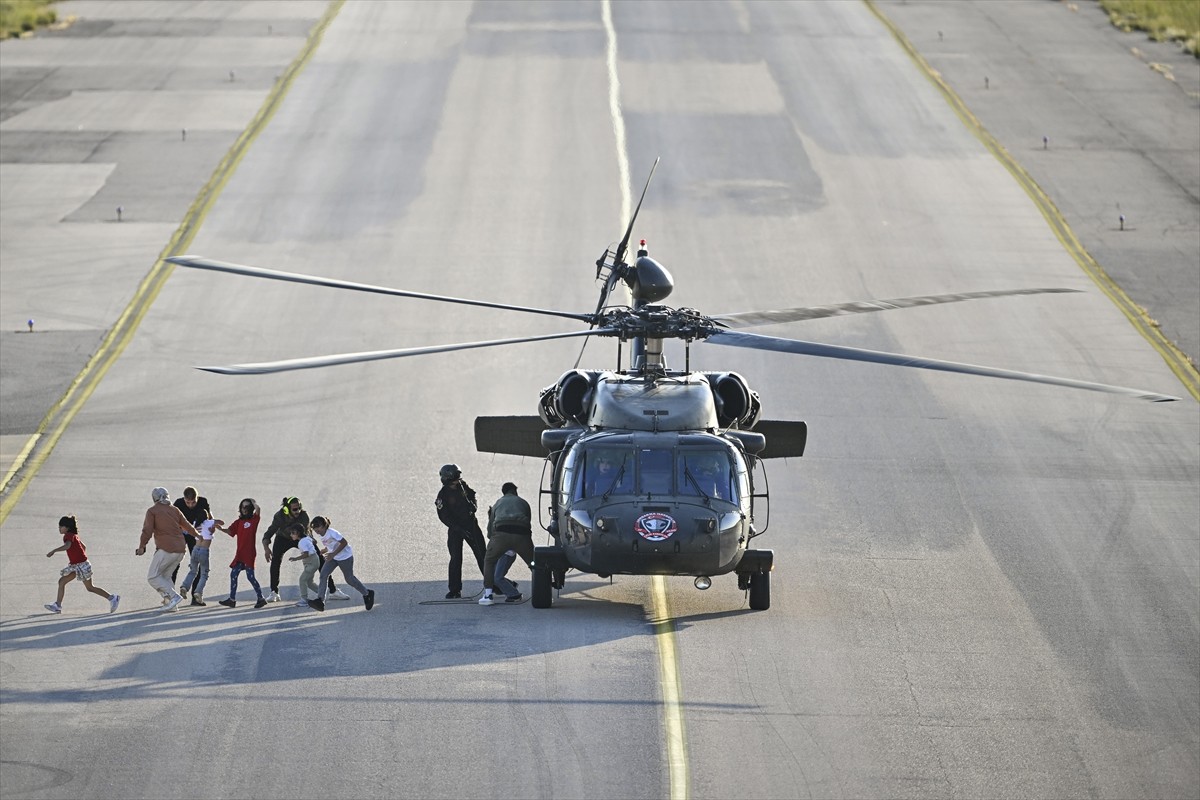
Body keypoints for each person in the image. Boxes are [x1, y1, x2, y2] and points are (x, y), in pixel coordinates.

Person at [261, 496, 348, 603]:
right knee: (275, 561)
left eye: (299, 508)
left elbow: (307, 531)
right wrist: (266, 549)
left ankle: (333, 591)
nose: (297, 511)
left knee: (320, 559)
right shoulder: (279, 516)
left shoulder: (303, 515)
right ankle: (274, 592)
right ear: (287, 509)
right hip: (282, 538)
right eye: (294, 509)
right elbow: (269, 532)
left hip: (300, 537)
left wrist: (311, 541)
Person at [44, 515, 119, 614]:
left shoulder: (68, 536)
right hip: (78, 565)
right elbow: (83, 547)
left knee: (90, 587)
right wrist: (78, 557)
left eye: (61, 526)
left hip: (81, 565)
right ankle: (57, 605)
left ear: (67, 527)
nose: (59, 529)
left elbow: (68, 546)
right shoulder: (74, 535)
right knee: (62, 581)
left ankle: (113, 598)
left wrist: (54, 551)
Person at [136, 487, 195, 612]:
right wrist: (199, 536)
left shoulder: (153, 511)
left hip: (166, 549)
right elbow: (187, 525)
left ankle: (174, 597)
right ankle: (172, 604)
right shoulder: (175, 510)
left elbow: (147, 531)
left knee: (152, 577)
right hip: (180, 550)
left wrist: (142, 546)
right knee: (166, 576)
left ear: (154, 498)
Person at [435, 463, 487, 599]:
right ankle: (454, 589)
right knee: (456, 559)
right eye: (455, 479)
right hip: (456, 530)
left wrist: (473, 506)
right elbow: (443, 516)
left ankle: (494, 584)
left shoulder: (463, 486)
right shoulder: (443, 495)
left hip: (471, 527)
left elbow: (472, 496)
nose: (458, 481)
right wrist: (458, 529)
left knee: (483, 555)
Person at [479, 482, 534, 605]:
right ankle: (543, 592)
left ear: (503, 492)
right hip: (522, 536)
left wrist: (497, 544)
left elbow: (490, 530)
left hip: (501, 537)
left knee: (489, 561)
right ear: (515, 491)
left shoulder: (497, 503)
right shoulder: (524, 503)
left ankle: (488, 596)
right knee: (535, 565)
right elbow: (528, 523)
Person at [305, 516, 374, 612]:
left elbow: (344, 542)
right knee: (323, 575)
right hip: (334, 557)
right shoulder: (322, 534)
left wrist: (332, 554)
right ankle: (320, 601)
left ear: (324, 526)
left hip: (345, 557)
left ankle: (367, 593)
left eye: (318, 526)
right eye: (314, 527)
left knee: (349, 579)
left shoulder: (332, 533)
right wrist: (325, 550)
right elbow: (331, 544)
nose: (316, 529)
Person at [213, 498, 268, 609]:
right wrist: (221, 529)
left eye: (247, 507)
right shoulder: (238, 522)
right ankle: (232, 600)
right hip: (240, 554)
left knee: (250, 577)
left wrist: (253, 502)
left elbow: (258, 510)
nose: (244, 509)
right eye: (242, 507)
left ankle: (261, 598)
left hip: (249, 554)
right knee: (233, 574)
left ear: (251, 508)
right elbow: (230, 531)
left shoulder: (254, 521)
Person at [172, 486, 211, 594]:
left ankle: (195, 595)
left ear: (197, 498)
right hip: (181, 535)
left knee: (197, 563)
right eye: (187, 502)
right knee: (174, 563)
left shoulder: (203, 502)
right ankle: (170, 596)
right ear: (184, 499)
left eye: (193, 502)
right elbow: (172, 521)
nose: (190, 505)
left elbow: (209, 517)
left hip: (196, 536)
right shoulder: (178, 504)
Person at [179, 518, 215, 606]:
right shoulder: (209, 522)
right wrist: (215, 524)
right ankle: (198, 592)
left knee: (192, 571)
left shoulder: (195, 523)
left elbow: (185, 528)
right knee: (204, 574)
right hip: (204, 551)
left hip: (195, 549)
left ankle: (184, 586)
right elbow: (222, 522)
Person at [286, 523, 321, 607]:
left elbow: (306, 554)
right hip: (314, 560)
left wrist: (295, 558)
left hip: (311, 562)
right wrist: (310, 541)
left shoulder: (302, 542)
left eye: (292, 533)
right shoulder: (306, 538)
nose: (291, 535)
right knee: (309, 582)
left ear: (298, 533)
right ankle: (323, 593)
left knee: (302, 580)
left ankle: (304, 599)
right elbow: (315, 542)